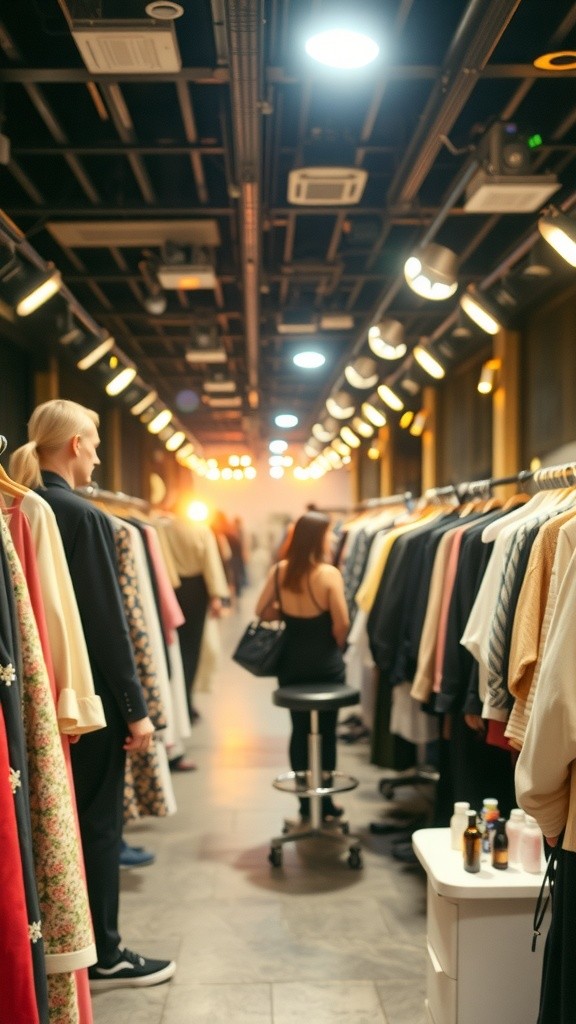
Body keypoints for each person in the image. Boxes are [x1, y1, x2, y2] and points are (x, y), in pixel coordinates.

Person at [9, 399, 176, 990]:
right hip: (87, 696)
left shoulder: (18, 507)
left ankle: (55, 944)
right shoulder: (83, 516)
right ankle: (105, 952)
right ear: (76, 444)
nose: (99, 458)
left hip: (30, 693)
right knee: (98, 825)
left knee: (48, 824)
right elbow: (109, 625)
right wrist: (137, 710)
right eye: (96, 445)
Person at [255, 511, 350, 821]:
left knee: (299, 730)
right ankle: (325, 802)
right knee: (327, 732)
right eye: (329, 533)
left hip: (290, 665)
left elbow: (261, 611)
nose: (332, 539)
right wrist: (335, 644)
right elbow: (341, 624)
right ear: (318, 538)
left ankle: (303, 802)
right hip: (325, 665)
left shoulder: (280, 571)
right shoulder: (328, 575)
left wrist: (286, 612)